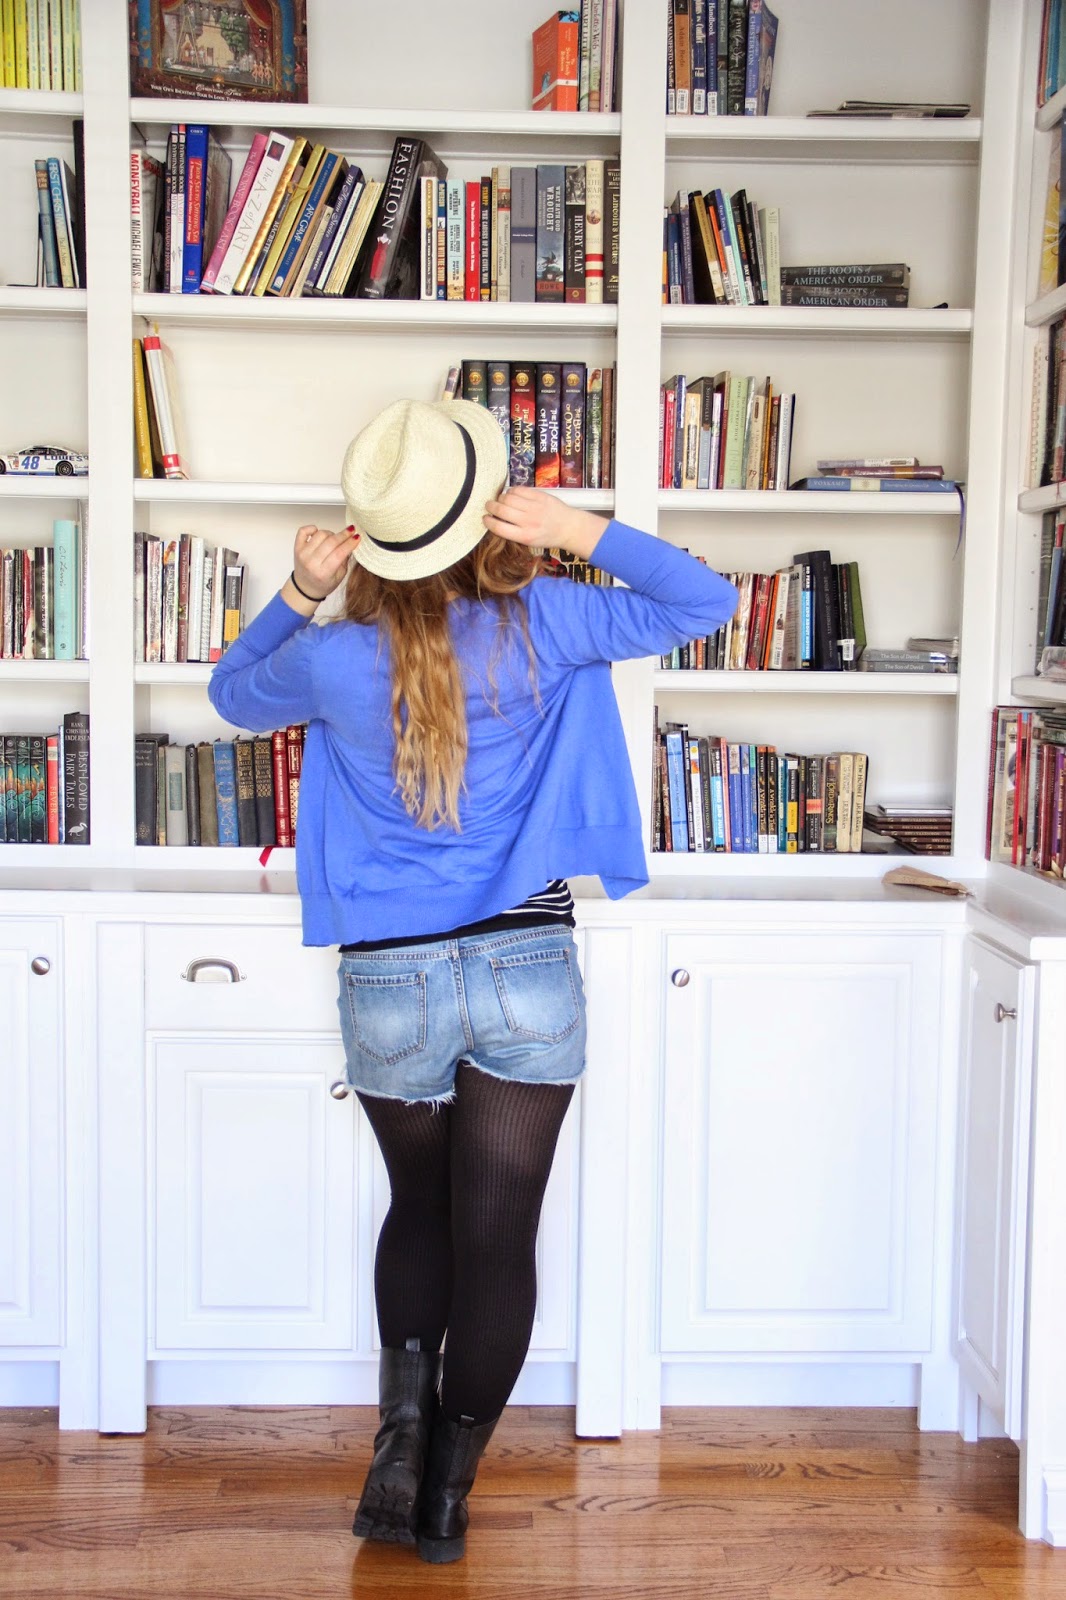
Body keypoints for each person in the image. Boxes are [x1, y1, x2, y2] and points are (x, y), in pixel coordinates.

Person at [208, 395, 737, 1564]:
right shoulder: (551, 616)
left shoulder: (330, 657)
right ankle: (445, 1495)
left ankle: (395, 1447)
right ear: (484, 516)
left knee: (418, 1208)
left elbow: (231, 693)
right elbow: (705, 601)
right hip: (525, 967)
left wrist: (299, 589)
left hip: (387, 979)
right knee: (498, 1237)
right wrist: (576, 528)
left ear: (378, 538)